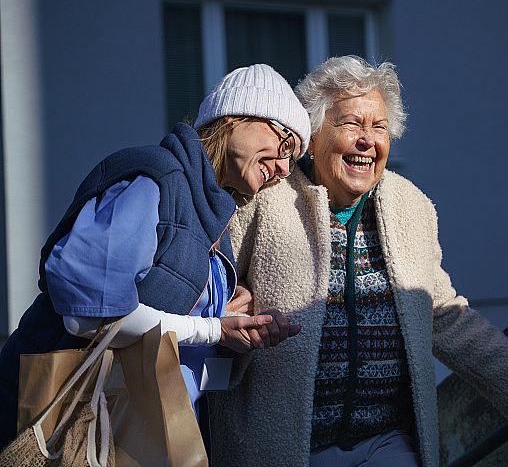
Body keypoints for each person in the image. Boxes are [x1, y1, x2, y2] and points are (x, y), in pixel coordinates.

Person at [209, 55, 508, 466]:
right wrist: (224, 313)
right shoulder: (264, 198)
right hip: (286, 446)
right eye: (352, 124)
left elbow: (441, 313)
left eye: (380, 127)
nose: (367, 140)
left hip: (386, 440)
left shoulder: (411, 207)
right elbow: (208, 286)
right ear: (311, 139)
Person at [0, 63, 310, 450]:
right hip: (67, 428)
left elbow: (177, 356)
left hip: (144, 436)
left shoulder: (211, 213)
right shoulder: (155, 179)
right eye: (285, 145)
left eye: (292, 161)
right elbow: (90, 314)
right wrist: (214, 330)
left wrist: (233, 331)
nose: (283, 168)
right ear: (234, 116)